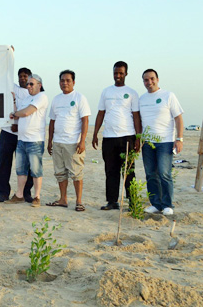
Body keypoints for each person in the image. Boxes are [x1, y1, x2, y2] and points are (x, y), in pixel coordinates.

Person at [92, 61, 141, 210]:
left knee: (128, 171)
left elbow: (136, 116)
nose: (118, 76)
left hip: (127, 137)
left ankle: (132, 202)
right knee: (110, 171)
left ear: (126, 73)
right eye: (115, 73)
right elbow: (101, 113)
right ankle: (112, 201)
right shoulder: (106, 91)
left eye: (120, 73)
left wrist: (138, 138)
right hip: (109, 137)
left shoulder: (132, 93)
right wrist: (95, 133)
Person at [139, 69, 184, 216]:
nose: (149, 82)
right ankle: (156, 204)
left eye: (152, 79)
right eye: (146, 80)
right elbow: (139, 121)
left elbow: (178, 118)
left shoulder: (168, 96)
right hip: (147, 143)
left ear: (157, 79)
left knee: (164, 174)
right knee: (151, 174)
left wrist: (179, 139)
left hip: (165, 142)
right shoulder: (142, 99)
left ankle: (167, 205)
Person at [46, 70, 91, 212]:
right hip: (58, 142)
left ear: (73, 82)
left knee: (76, 172)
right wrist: (50, 141)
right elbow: (52, 121)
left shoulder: (79, 98)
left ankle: (79, 201)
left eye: (68, 80)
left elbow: (85, 120)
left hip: (73, 142)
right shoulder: (56, 99)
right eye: (62, 81)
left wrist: (82, 141)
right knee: (59, 172)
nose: (65, 83)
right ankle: (63, 199)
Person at [6, 75, 48, 207]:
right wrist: (14, 102)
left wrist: (15, 114)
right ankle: (19, 195)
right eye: (28, 84)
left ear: (39, 85)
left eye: (31, 84)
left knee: (36, 170)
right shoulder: (26, 98)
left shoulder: (42, 97)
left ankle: (37, 197)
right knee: (21, 169)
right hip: (22, 139)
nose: (28, 86)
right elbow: (18, 112)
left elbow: (25, 113)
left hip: (34, 140)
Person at [0, 68, 34, 203]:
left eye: (25, 76)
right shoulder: (13, 88)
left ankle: (26, 193)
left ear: (30, 77)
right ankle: (3, 193)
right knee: (4, 163)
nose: (23, 78)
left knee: (25, 165)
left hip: (23, 134)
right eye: (20, 76)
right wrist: (9, 53)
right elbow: (4, 71)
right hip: (7, 132)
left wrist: (17, 124)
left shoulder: (33, 94)